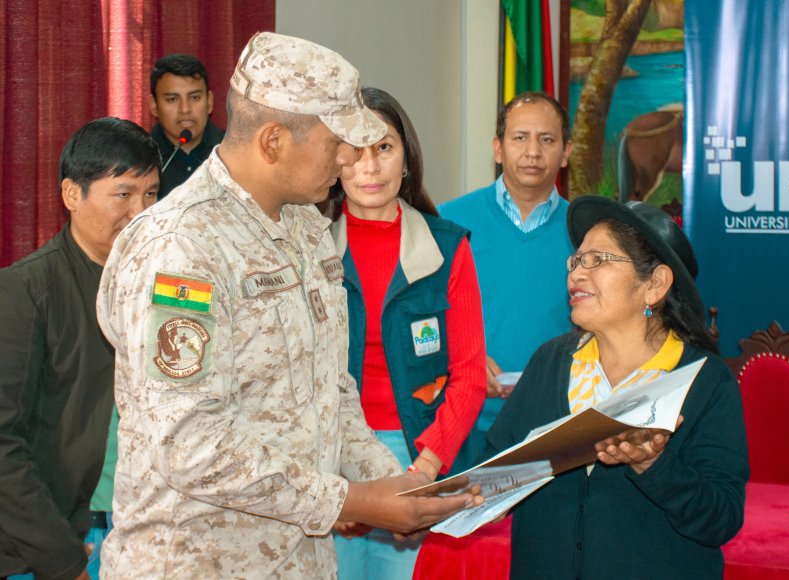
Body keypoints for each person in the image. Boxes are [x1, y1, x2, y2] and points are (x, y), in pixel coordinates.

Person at [95, 32, 479, 579]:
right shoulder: (181, 246)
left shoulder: (307, 227)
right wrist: (353, 502)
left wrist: (396, 485)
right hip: (197, 563)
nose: (350, 158)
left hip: (298, 561)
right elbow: (190, 443)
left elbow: (332, 392)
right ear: (273, 141)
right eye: (337, 142)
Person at [483, 196, 749, 579]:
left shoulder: (705, 381)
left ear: (654, 285)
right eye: (576, 260)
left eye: (598, 260)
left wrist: (654, 464)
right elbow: (495, 471)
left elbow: (721, 519)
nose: (575, 274)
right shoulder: (551, 362)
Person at [325, 87, 487, 579]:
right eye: (354, 151)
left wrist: (422, 474)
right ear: (333, 160)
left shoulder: (447, 246)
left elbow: (470, 376)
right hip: (331, 457)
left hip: (422, 450)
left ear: (407, 158)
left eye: (384, 148)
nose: (369, 168)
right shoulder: (307, 246)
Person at [0, 118, 160, 580]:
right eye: (123, 194)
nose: (141, 212)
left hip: (145, 528)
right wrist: (64, 562)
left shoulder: (166, 286)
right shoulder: (24, 292)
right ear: (73, 195)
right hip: (52, 544)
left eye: (151, 194)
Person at [438, 91, 575, 434]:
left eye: (547, 140)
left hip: (556, 421)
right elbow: (420, 318)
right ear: (498, 149)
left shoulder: (588, 231)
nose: (533, 152)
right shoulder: (447, 223)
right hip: (462, 423)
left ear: (566, 152)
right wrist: (459, 358)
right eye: (519, 138)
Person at [150, 53, 225, 199]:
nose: (185, 109)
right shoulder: (140, 158)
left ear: (209, 101)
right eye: (172, 99)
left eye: (195, 97)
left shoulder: (234, 151)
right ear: (154, 106)